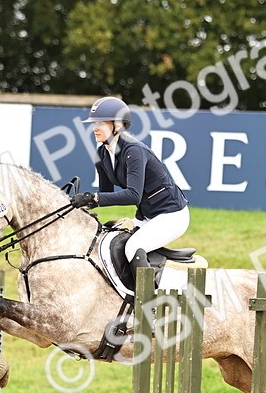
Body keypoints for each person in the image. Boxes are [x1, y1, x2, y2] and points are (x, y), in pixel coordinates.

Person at [69, 96, 190, 272]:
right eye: (94, 124)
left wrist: (93, 198)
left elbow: (133, 195)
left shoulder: (134, 151)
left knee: (132, 247)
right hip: (146, 216)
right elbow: (105, 191)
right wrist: (81, 206)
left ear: (117, 125)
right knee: (110, 240)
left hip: (172, 216)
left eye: (100, 123)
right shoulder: (101, 153)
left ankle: (145, 297)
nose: (95, 128)